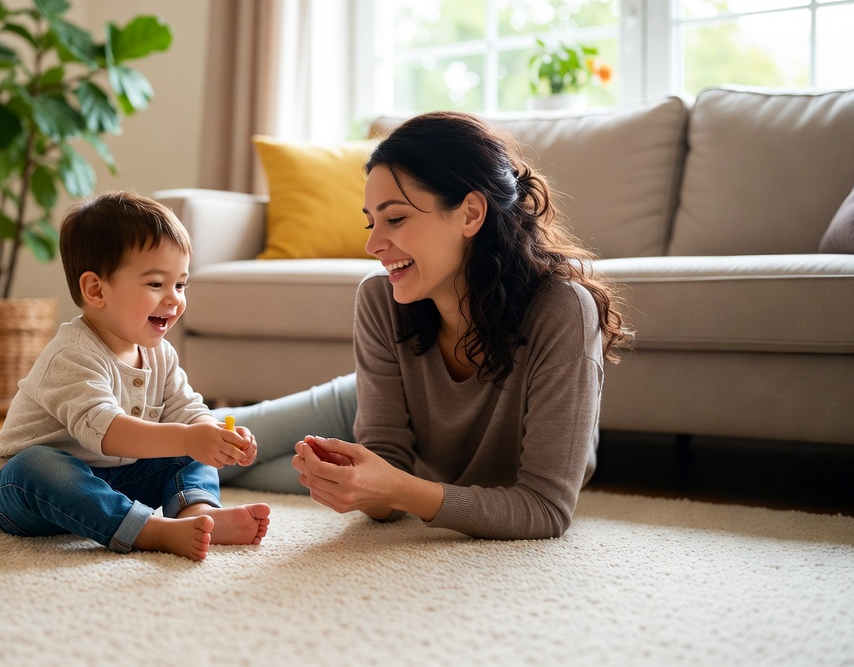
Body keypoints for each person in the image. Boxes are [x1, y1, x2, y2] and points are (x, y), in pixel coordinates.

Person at [219, 111, 631, 540]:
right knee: (211, 440)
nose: (373, 245)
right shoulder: (382, 298)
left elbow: (544, 508)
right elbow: (386, 470)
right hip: (371, 400)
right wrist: (370, 488)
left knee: (242, 467)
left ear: (471, 214)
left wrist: (395, 489)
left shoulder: (562, 310)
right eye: (371, 222)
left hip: (424, 468)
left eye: (394, 219)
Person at [0, 192, 270, 561]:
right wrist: (188, 437)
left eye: (180, 285)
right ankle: (149, 531)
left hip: (113, 481)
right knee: (36, 463)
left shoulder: (160, 353)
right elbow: (106, 430)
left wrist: (214, 436)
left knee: (190, 449)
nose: (175, 299)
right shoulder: (72, 355)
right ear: (96, 290)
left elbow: (186, 408)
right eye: (155, 285)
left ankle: (197, 513)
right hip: (28, 495)